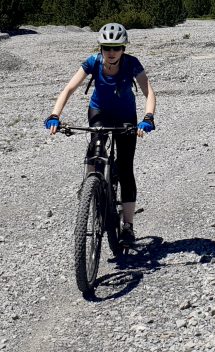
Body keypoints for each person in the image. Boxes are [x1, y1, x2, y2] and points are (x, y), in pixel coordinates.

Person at [44, 22, 157, 245]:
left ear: (124, 48)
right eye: (107, 47)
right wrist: (55, 114)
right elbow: (68, 89)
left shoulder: (132, 64)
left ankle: (128, 226)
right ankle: (90, 186)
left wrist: (148, 117)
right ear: (101, 48)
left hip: (126, 116)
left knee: (125, 168)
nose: (111, 52)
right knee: (95, 151)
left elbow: (148, 92)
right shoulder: (93, 62)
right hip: (99, 112)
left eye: (116, 48)